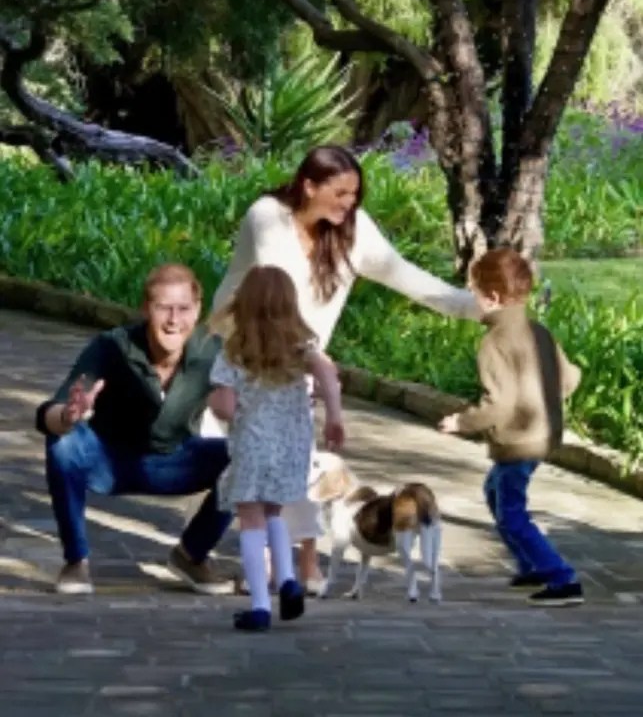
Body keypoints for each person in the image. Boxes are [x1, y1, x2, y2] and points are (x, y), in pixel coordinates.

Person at [203, 144, 480, 593]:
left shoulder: (354, 231)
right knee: (245, 464)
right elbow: (279, 295)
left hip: (298, 362)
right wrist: (311, 354)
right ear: (308, 186)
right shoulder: (267, 216)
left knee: (297, 462)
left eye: (355, 194)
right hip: (244, 354)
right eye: (340, 193)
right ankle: (261, 564)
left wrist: (474, 307)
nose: (349, 203)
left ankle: (300, 566)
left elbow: (405, 275)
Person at [35, 263, 232, 595]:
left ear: (197, 311)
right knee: (64, 443)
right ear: (145, 309)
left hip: (174, 461)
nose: (173, 319)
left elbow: (243, 401)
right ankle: (75, 561)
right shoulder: (112, 346)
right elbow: (47, 414)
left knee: (246, 457)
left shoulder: (212, 352)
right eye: (163, 308)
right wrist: (69, 416)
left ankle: (191, 555)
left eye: (183, 309)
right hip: (108, 461)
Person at [439, 248, 584, 606]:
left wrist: (461, 422)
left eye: (473, 291)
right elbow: (571, 378)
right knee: (497, 493)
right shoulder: (539, 331)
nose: (472, 299)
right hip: (544, 435)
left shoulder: (494, 343)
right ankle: (530, 565)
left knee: (512, 512)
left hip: (518, 443)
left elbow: (497, 404)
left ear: (492, 298)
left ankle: (561, 577)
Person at [208, 265, 344, 631]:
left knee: (250, 520)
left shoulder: (232, 355)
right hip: (292, 447)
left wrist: (217, 406)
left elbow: (224, 407)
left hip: (253, 446)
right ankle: (286, 580)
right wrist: (334, 416)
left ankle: (260, 605)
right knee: (274, 514)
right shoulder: (302, 349)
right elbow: (329, 377)